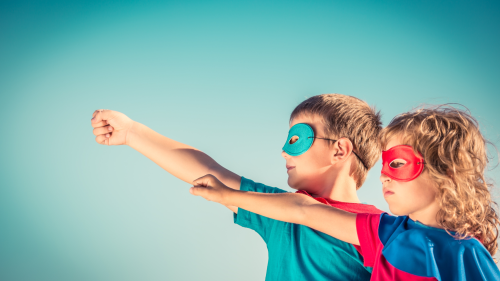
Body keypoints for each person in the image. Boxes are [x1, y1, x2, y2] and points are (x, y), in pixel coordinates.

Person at [90, 94, 384, 280]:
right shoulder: (280, 214)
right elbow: (207, 170)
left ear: (340, 150)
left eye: (296, 140)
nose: (283, 151)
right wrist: (132, 133)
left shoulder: (380, 231)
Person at [190, 105, 500, 280]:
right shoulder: (384, 232)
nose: (384, 177)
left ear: (446, 171)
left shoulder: (467, 254)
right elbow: (303, 209)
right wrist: (224, 195)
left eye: (398, 163)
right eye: (383, 164)